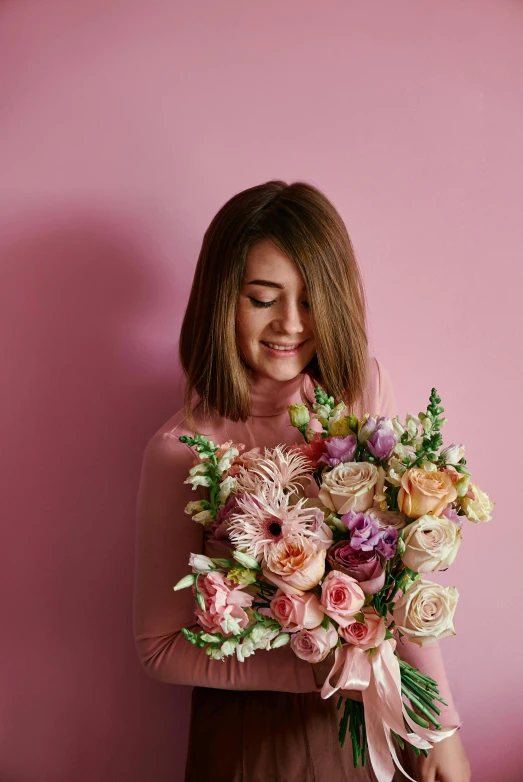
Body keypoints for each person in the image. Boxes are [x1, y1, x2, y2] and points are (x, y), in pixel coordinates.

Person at [133, 180, 471, 782]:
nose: (291, 324)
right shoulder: (181, 450)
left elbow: (400, 583)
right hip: (253, 743)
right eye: (263, 299)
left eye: (312, 300)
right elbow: (159, 647)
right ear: (221, 301)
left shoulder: (360, 391)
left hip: (378, 720)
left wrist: (440, 721)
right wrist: (320, 664)